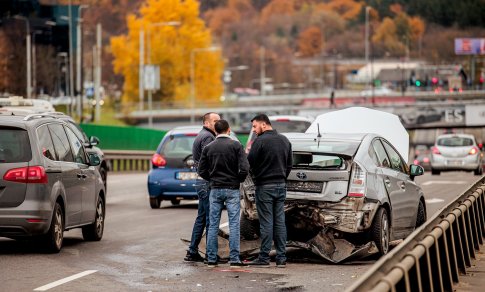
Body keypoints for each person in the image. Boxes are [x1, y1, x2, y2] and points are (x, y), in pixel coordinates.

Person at [198, 120, 249, 267]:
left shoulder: (208, 148)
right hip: (232, 189)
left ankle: (212, 258)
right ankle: (234, 258)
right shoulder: (236, 145)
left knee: (213, 224)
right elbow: (245, 168)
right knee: (234, 224)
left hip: (215, 189)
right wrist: (237, 180)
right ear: (228, 130)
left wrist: (212, 179)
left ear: (215, 131)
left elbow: (201, 170)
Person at [247, 114, 292, 268]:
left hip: (264, 186)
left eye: (255, 126)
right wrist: (282, 177)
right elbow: (289, 164)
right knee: (280, 222)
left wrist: (256, 177)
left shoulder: (259, 141)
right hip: (280, 185)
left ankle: (264, 257)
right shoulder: (285, 140)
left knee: (266, 223)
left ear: (264, 125)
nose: (253, 130)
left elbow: (249, 163)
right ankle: (281, 258)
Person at [184, 112, 220, 262]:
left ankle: (192, 251)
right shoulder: (208, 137)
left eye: (219, 120)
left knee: (202, 218)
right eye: (215, 121)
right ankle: (210, 255)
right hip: (206, 182)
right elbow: (209, 158)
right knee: (210, 219)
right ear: (206, 123)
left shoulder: (204, 135)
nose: (218, 123)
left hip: (202, 181)